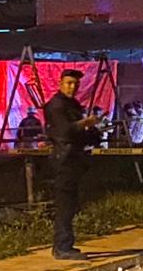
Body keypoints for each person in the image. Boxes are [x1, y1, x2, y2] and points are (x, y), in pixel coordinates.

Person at [44, 69, 105, 260]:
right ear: (60, 82)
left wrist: (94, 133)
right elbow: (64, 131)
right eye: (69, 83)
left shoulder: (73, 104)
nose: (72, 87)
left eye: (76, 84)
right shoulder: (56, 105)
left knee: (70, 205)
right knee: (65, 204)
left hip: (74, 158)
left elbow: (79, 133)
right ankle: (62, 247)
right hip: (64, 159)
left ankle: (65, 244)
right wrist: (84, 123)